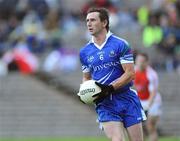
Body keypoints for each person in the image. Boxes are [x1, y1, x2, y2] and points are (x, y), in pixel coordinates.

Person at [79, 7, 146, 141]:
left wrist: (110, 88)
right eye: (87, 21)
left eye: (93, 20)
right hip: (105, 103)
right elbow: (86, 77)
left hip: (127, 99)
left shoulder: (120, 44)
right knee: (117, 139)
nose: (88, 23)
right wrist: (84, 92)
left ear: (104, 23)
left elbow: (130, 73)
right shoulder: (84, 52)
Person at [134, 53, 162, 141]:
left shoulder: (151, 74)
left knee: (150, 126)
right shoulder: (133, 71)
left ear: (146, 62)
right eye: (138, 61)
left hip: (153, 101)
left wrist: (148, 106)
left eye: (142, 61)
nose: (140, 63)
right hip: (141, 100)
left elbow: (153, 92)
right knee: (140, 128)